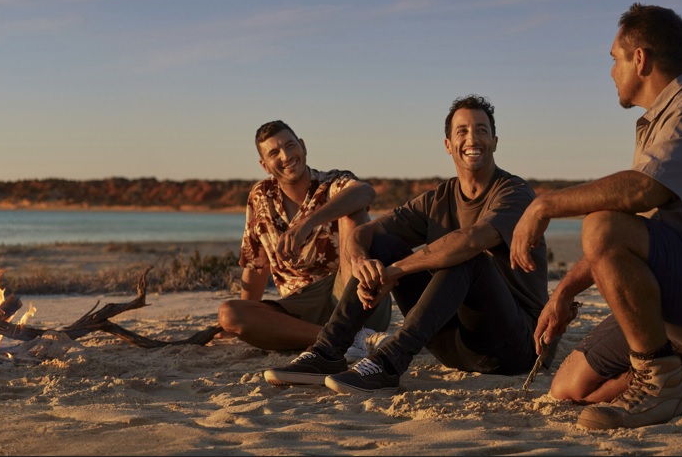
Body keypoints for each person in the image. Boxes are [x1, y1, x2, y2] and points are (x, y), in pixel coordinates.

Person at [509, 3, 682, 430]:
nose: (611, 71)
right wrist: (563, 294)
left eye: (615, 59)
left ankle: (664, 385)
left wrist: (544, 204)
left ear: (641, 59)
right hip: (678, 291)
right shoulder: (660, 124)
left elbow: (640, 193)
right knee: (568, 388)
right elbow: (632, 235)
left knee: (601, 223)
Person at [263, 94, 548, 394]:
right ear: (448, 144)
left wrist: (395, 271)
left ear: (495, 141)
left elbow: (472, 239)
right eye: (462, 131)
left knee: (467, 257)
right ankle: (327, 352)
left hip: (514, 347)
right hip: (452, 346)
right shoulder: (438, 199)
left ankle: (389, 363)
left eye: (481, 130)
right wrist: (361, 263)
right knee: (382, 245)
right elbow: (365, 233)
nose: (472, 138)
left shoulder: (515, 193)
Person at [217, 120, 392, 355]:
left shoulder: (333, 183)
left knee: (352, 211)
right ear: (265, 165)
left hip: (354, 294)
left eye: (290, 145)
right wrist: (249, 316)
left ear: (302, 146)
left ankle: (349, 330)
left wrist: (307, 223)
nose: (286, 156)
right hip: (301, 308)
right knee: (230, 314)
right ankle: (343, 339)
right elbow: (257, 266)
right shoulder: (261, 196)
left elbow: (365, 192)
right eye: (274, 153)